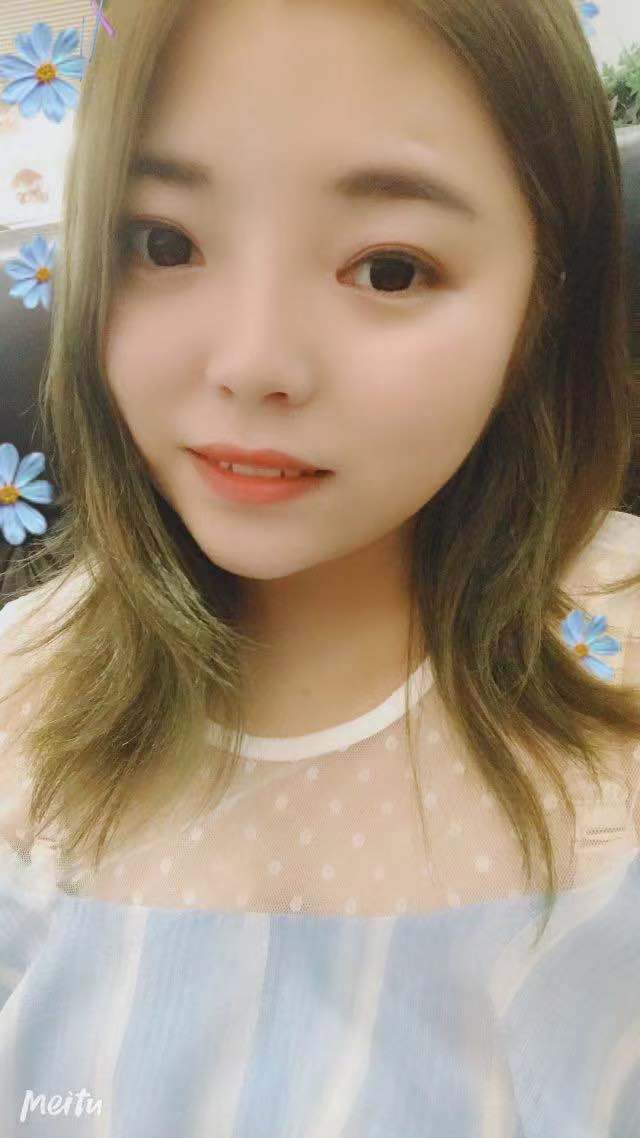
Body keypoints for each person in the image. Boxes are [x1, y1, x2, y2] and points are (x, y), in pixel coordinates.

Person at [0, 0, 639, 1132]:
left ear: (545, 303)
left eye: (388, 269)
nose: (253, 363)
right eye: (163, 244)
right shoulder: (19, 698)